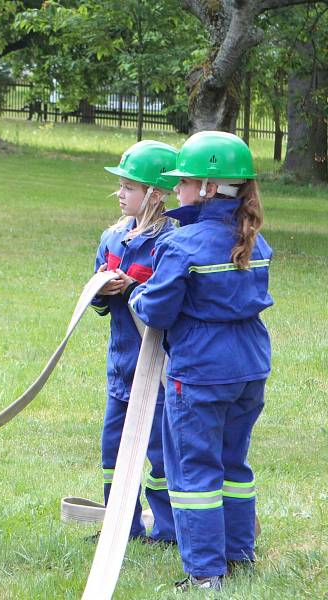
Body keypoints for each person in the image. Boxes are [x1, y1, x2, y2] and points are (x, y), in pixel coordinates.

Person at [129, 131, 272, 591]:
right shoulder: (255, 241)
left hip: (201, 372)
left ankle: (206, 572)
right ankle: (239, 555)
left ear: (210, 189)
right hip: (249, 367)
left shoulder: (182, 245)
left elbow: (159, 310)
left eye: (184, 181)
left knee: (194, 471)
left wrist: (136, 295)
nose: (176, 189)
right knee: (234, 466)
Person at [91, 140, 177, 545]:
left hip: (157, 371)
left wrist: (136, 285)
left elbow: (172, 301)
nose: (120, 194)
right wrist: (100, 291)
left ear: (156, 195)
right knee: (114, 453)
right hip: (121, 366)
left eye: (129, 187)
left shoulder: (172, 242)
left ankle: (168, 530)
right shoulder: (111, 238)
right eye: (120, 186)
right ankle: (120, 526)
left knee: (160, 454)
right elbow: (97, 302)